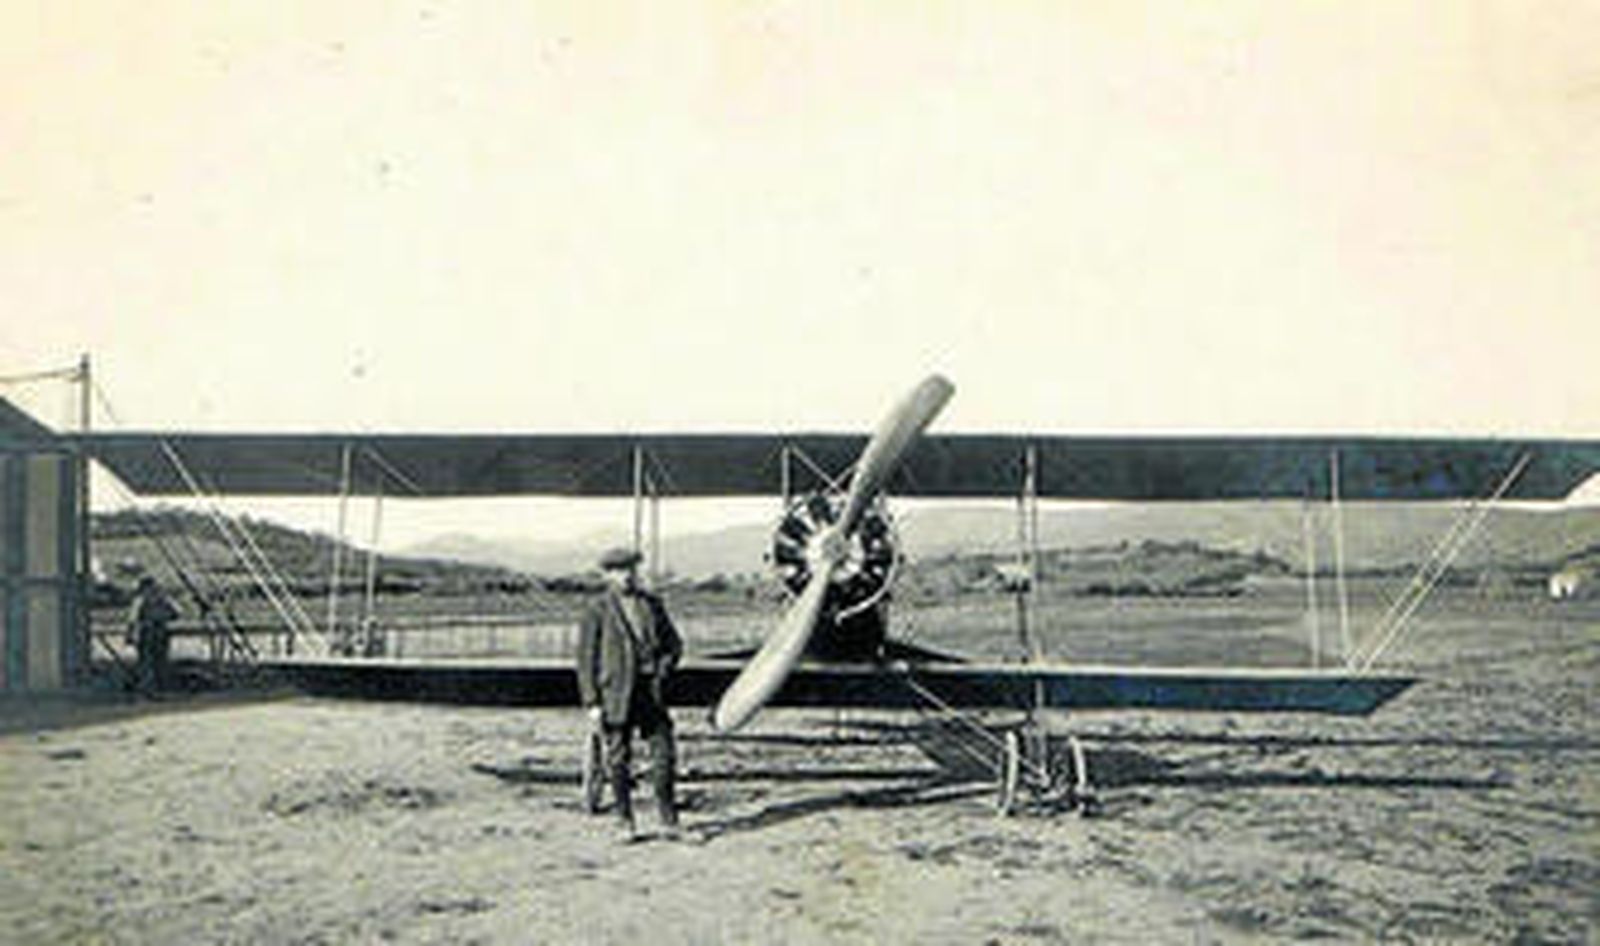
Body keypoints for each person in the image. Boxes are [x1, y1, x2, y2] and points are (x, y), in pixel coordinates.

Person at [575, 547, 683, 842]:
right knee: (618, 759)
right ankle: (625, 822)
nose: (627, 576)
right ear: (607, 575)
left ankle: (669, 821)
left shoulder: (652, 604)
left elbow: (674, 645)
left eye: (631, 569)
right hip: (615, 693)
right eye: (619, 571)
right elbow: (586, 660)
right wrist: (592, 702)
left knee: (664, 755)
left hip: (651, 692)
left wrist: (662, 670)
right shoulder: (596, 610)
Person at [126, 575, 179, 693]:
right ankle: (147, 686)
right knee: (147, 661)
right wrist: (130, 635)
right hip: (147, 634)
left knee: (159, 661)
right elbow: (133, 620)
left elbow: (176, 613)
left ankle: (160, 686)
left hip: (159, 633)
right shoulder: (140, 601)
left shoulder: (163, 599)